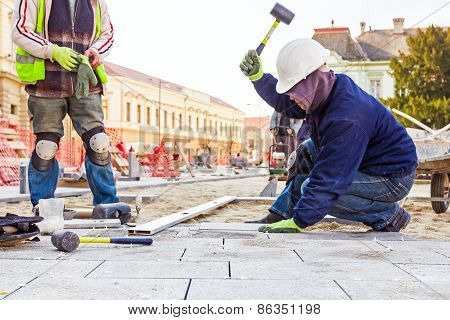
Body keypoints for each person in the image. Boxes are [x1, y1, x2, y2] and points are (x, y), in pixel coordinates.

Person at [240, 39, 418, 232]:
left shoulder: (347, 118)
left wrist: (299, 222)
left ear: (312, 81)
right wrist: (259, 78)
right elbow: (289, 102)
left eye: (293, 90)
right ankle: (281, 213)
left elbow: (330, 180)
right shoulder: (325, 89)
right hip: (366, 162)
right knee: (307, 150)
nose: (290, 96)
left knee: (324, 193)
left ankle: (388, 215)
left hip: (392, 177)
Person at [11, 0, 118, 211]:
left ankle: (107, 206)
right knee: (46, 147)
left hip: (86, 81)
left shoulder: (96, 2)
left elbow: (108, 34)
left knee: (99, 143)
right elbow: (20, 29)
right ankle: (43, 208)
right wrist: (53, 51)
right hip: (46, 81)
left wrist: (96, 51)